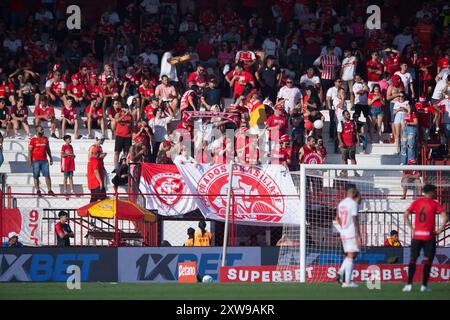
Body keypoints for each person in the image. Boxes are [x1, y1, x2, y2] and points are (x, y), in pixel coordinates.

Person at [402, 184, 448, 292]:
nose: (436, 193)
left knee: (413, 259)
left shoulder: (417, 202)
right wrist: (440, 230)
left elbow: (405, 214)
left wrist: (412, 228)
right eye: (435, 191)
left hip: (417, 235)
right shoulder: (434, 203)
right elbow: (445, 217)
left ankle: (409, 285)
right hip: (429, 236)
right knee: (427, 261)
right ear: (431, 192)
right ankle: (424, 286)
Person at [335, 184, 362, 288]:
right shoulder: (353, 203)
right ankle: (347, 282)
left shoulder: (341, 203)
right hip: (351, 233)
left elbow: (338, 218)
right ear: (353, 190)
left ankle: (340, 272)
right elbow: (355, 219)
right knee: (351, 256)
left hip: (344, 232)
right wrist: (358, 234)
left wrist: (343, 228)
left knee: (351, 255)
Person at [28, 125, 54, 196]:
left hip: (44, 160)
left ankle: (49, 190)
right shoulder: (33, 139)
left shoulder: (45, 139)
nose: (42, 130)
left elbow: (48, 149)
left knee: (47, 175)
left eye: (42, 129)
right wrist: (29, 160)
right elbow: (30, 150)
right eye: (41, 129)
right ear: (36, 131)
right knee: (36, 175)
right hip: (35, 160)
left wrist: (51, 158)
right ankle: (38, 190)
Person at [337, 110, 359, 177]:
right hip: (344, 144)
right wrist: (341, 142)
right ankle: (345, 172)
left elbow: (356, 132)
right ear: (343, 116)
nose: (348, 115)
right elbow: (339, 134)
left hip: (352, 144)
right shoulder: (341, 123)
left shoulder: (353, 123)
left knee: (353, 158)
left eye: (349, 114)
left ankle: (355, 172)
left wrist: (358, 140)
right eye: (347, 114)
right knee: (344, 158)